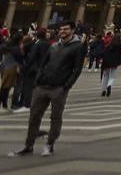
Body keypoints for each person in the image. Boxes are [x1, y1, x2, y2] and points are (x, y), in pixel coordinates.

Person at [8, 21, 85, 157]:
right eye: (61, 29)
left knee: (55, 117)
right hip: (42, 86)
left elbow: (77, 69)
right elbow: (43, 64)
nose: (62, 31)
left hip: (59, 88)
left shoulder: (78, 47)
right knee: (34, 116)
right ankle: (28, 145)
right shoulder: (54, 45)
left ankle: (49, 145)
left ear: (72, 30)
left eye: (66, 29)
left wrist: (66, 86)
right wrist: (37, 80)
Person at [98, 31, 121, 97]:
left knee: (106, 76)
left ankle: (103, 90)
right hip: (115, 63)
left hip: (107, 63)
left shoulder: (109, 45)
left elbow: (103, 53)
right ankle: (109, 86)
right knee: (112, 76)